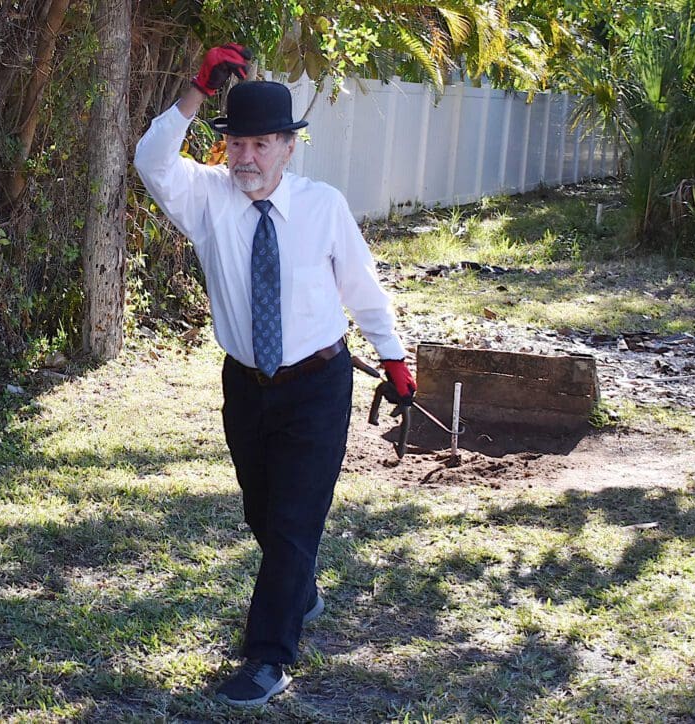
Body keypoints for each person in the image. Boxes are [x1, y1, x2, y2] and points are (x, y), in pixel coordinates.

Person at [133, 43, 417, 707]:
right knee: (261, 509)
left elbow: (363, 287)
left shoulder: (324, 206)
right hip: (247, 384)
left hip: (319, 383)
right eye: (237, 146)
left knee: (292, 522)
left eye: (263, 145)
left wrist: (394, 357)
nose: (248, 158)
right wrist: (196, 92)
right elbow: (151, 160)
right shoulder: (205, 200)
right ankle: (300, 588)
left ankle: (268, 656)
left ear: (289, 148)